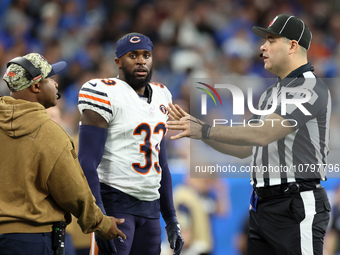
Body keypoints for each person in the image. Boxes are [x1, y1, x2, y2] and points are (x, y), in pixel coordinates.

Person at [166, 14, 331, 255]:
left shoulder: (309, 86)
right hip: (262, 205)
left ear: (293, 45)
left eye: (271, 40)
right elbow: (246, 148)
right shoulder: (269, 94)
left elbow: (262, 134)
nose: (262, 46)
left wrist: (205, 129)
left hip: (295, 204)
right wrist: (200, 133)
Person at [0, 53, 126, 254]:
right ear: (36, 86)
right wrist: (102, 224)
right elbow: (74, 192)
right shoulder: (49, 133)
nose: (56, 84)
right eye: (50, 78)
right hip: (33, 239)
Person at [77, 32, 184, 255]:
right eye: (132, 55)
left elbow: (161, 164)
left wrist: (171, 219)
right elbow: (87, 162)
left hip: (151, 209)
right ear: (118, 62)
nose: (141, 60)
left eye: (146, 54)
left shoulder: (163, 95)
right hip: (115, 203)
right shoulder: (103, 92)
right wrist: (99, 217)